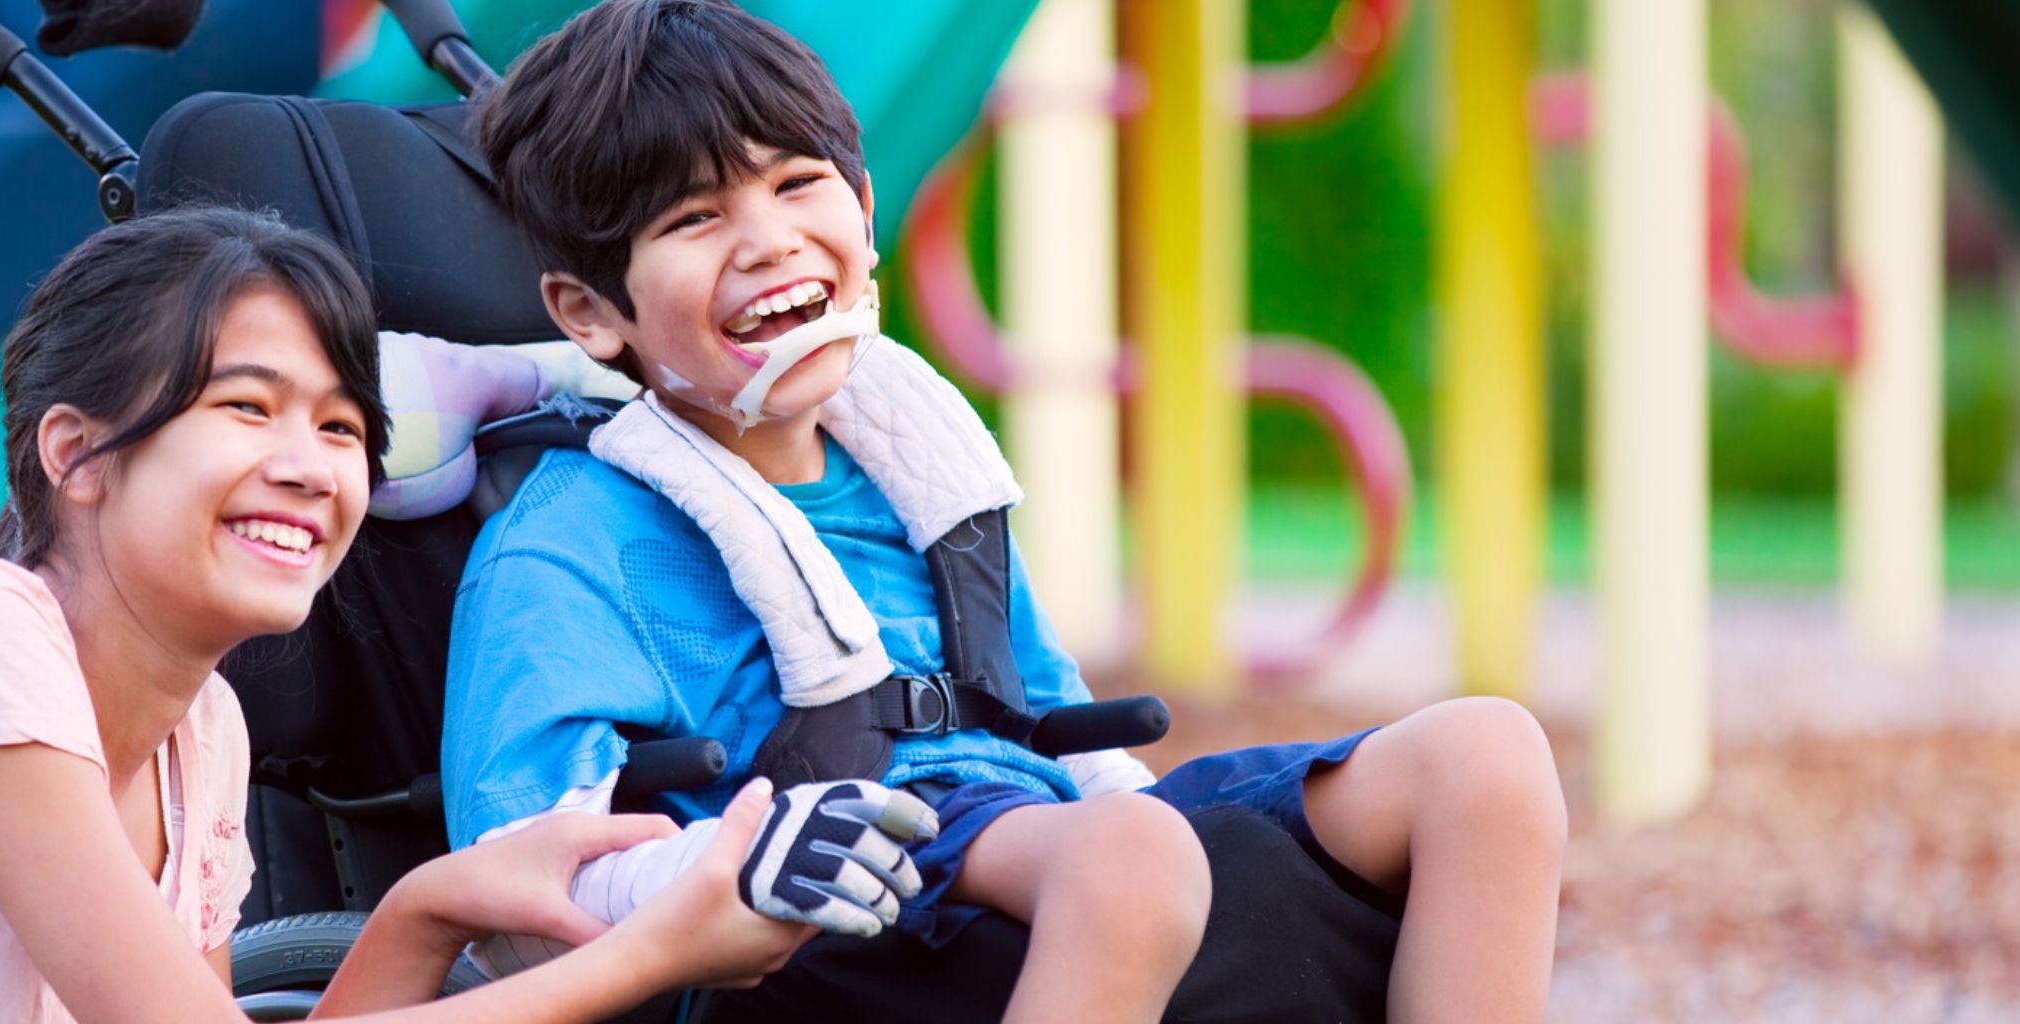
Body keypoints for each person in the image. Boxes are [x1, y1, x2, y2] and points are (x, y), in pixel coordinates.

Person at [437, 2, 1571, 1020]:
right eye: (694, 217)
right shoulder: (574, 538)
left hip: (1035, 838)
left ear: (864, 206)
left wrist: (1167, 838)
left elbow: (1051, 724)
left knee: (1485, 757)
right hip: (830, 903)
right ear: (590, 311)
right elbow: (520, 867)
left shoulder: (917, 466)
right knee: (1129, 856)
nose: (769, 239)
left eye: (796, 184)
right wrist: (721, 869)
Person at [0, 206, 819, 1023]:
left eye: (337, 427)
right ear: (77, 453)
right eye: (245, 407)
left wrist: (426, 911)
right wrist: (653, 953)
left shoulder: (201, 727)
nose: (311, 467)